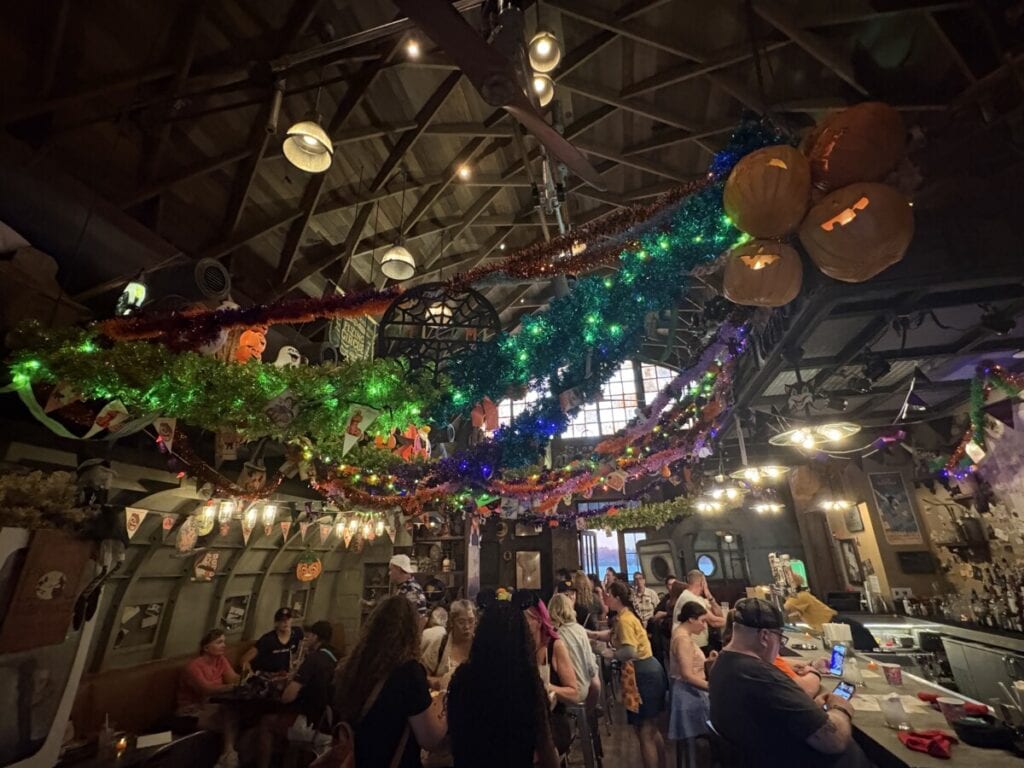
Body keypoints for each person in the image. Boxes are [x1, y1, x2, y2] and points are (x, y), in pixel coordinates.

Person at [709, 598, 870, 768]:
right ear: (765, 636)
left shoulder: (723, 664)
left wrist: (807, 708)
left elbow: (769, 714)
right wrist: (840, 708)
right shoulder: (759, 675)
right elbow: (833, 740)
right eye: (780, 638)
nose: (779, 646)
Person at [333, 596, 446, 768]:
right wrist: (444, 707)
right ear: (411, 631)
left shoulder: (354, 667)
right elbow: (430, 739)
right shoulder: (408, 672)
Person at [447, 600, 559, 768]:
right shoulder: (527, 683)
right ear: (523, 638)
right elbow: (548, 753)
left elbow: (453, 737)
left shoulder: (463, 679)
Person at [256, 621, 339, 768]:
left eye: (308, 636)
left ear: (315, 636)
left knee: (266, 722)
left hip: (313, 726)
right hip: (332, 724)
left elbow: (288, 697)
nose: (305, 640)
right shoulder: (336, 656)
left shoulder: (313, 659)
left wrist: (287, 684)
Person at [604, 581, 668, 768]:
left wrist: (611, 654)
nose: (605, 598)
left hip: (643, 673)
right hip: (649, 669)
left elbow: (629, 651)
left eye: (608, 594)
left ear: (616, 598)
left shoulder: (624, 620)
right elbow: (614, 635)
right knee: (650, 729)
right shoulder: (626, 615)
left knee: (645, 731)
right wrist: (592, 634)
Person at [176, 629, 241, 768]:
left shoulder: (220, 660)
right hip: (191, 711)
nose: (224, 645)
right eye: (219, 642)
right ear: (206, 648)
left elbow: (233, 678)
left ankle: (228, 757)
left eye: (224, 641)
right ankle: (229, 757)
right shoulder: (193, 667)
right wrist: (233, 687)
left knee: (233, 713)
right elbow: (206, 689)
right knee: (230, 717)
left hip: (212, 706)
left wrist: (246, 678)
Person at [669, 602, 712, 767]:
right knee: (694, 747)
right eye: (702, 620)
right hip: (690, 695)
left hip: (687, 693)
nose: (704, 625)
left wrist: (707, 660)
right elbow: (687, 674)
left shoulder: (680, 633)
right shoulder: (683, 640)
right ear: (691, 619)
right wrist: (712, 688)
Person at [785, 576, 877, 651]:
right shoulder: (803, 595)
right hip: (834, 623)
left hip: (834, 625)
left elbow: (783, 610)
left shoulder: (799, 597)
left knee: (859, 647)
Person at [547, 593, 600, 705]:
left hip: (571, 693)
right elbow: (591, 666)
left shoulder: (556, 636)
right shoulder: (580, 629)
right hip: (586, 686)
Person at [422, 599, 476, 690]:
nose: (467, 627)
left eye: (471, 621)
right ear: (452, 622)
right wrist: (436, 682)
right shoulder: (440, 644)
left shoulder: (480, 646)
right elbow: (421, 675)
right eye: (461, 622)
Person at [673, 570, 726, 654]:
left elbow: (719, 615)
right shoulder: (689, 598)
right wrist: (732, 619)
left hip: (699, 644)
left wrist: (710, 597)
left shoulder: (698, 598)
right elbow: (714, 622)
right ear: (702, 583)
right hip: (690, 645)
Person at [240, 607, 303, 675]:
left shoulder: (297, 632)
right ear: (276, 623)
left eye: (288, 619)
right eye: (281, 620)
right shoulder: (268, 639)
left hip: (287, 675)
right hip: (268, 675)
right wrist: (251, 675)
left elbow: (304, 649)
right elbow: (244, 660)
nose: (285, 622)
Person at [390, 554, 428, 621]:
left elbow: (420, 619)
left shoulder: (412, 590)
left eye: (391, 569)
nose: (389, 573)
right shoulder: (402, 588)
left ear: (398, 569)